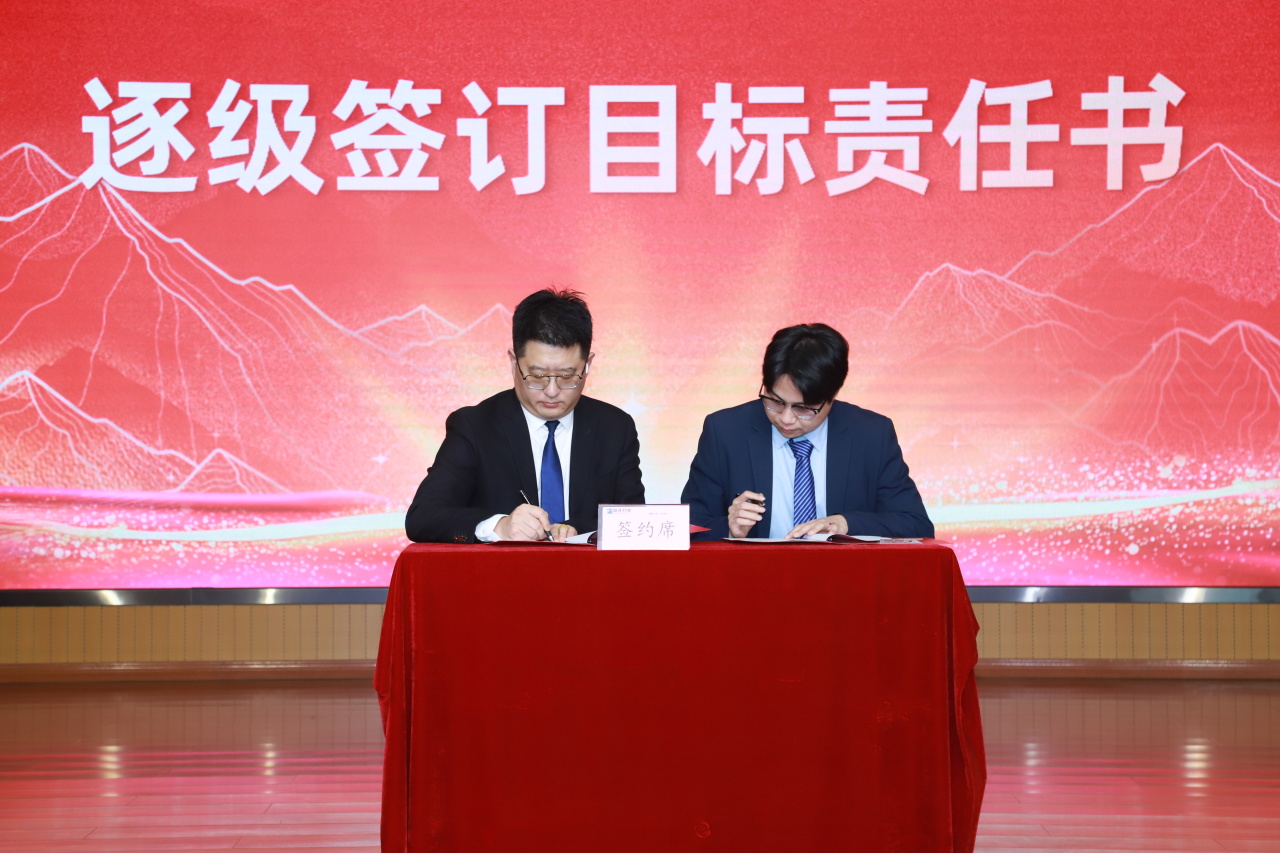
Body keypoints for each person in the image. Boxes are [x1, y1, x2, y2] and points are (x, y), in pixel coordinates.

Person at [405, 288, 644, 543]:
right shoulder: (475, 427)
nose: (552, 391)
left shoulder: (615, 428)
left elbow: (634, 521)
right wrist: (498, 526)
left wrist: (575, 529)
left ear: (588, 365)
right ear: (513, 362)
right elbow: (423, 516)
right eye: (537, 376)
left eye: (567, 376)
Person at [680, 323, 933, 540]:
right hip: (753, 577)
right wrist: (729, 528)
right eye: (775, 401)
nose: (786, 418)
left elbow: (916, 525)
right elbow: (687, 527)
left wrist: (846, 524)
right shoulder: (725, 431)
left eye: (803, 409)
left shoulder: (871, 434)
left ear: (832, 397)